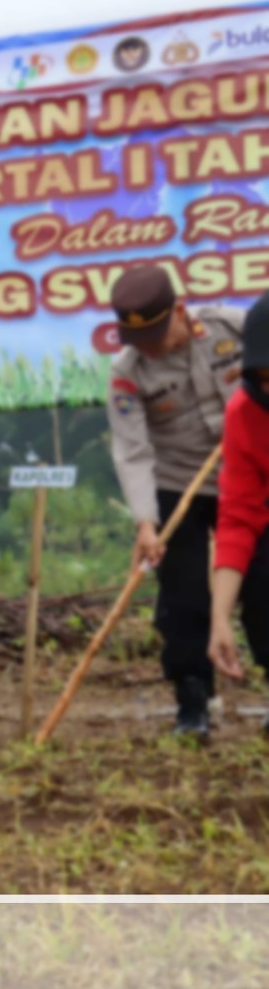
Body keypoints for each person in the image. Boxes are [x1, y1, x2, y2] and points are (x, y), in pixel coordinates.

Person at [105, 265, 244, 741]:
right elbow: (132, 450)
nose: (147, 347)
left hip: (247, 476)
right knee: (183, 595)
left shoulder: (231, 327)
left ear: (180, 312)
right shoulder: (127, 373)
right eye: (136, 338)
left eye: (156, 334)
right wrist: (146, 522)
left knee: (263, 582)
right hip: (175, 484)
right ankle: (193, 700)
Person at [205, 289, 269, 732]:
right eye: (263, 376)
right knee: (263, 586)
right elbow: (238, 517)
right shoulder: (246, 410)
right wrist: (219, 618)